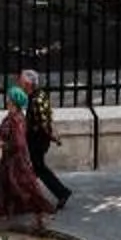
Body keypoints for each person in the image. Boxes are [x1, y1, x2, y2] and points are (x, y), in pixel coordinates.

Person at [0, 84, 56, 234]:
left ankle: (40, 213)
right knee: (7, 183)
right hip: (11, 159)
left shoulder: (16, 119)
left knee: (24, 186)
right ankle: (4, 211)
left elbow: (17, 142)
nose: (7, 101)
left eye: (9, 98)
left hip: (16, 160)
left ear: (14, 101)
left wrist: (1, 144)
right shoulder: (13, 117)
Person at [19, 65, 70, 211]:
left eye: (22, 82)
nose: (20, 84)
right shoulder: (39, 95)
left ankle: (62, 193)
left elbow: (43, 122)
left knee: (38, 168)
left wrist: (52, 136)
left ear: (28, 84)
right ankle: (27, 197)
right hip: (38, 139)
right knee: (32, 169)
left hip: (37, 140)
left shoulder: (36, 100)